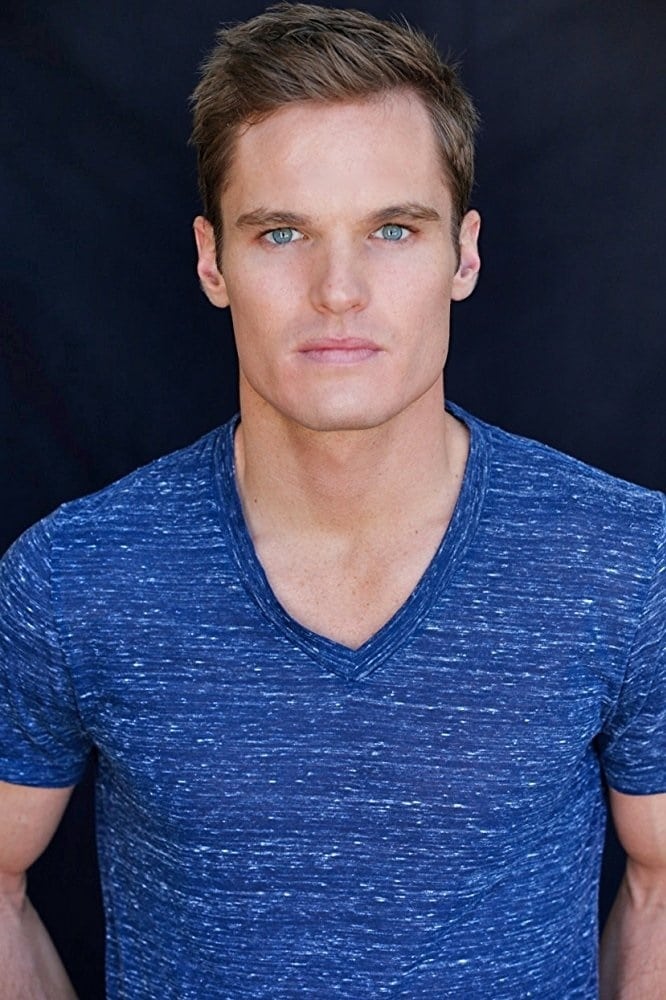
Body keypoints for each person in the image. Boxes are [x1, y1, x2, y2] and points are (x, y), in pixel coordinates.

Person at [1, 2, 664, 996]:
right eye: (282, 233)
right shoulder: (74, 577)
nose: (339, 290)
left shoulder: (625, 561)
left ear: (464, 254)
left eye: (393, 229)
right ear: (212, 261)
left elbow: (659, 886)